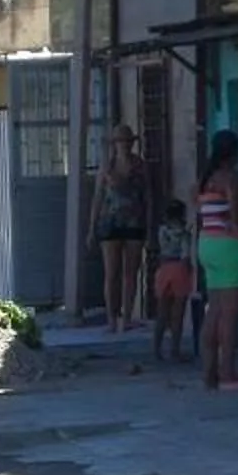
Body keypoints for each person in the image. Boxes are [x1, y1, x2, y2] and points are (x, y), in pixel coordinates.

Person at [194, 131, 238, 391]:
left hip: (208, 244)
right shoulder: (231, 178)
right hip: (231, 248)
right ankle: (228, 372)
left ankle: (209, 373)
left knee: (215, 310)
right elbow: (236, 212)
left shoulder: (205, 180)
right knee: (231, 314)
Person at [95, 125, 148, 332]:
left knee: (131, 272)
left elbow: (148, 196)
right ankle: (111, 319)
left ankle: (127, 318)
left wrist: (150, 223)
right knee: (111, 272)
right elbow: (98, 198)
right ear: (114, 144)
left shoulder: (140, 166)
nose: (124, 145)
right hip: (110, 223)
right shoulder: (107, 167)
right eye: (120, 141)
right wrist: (91, 227)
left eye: (127, 141)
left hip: (135, 222)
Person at [147, 200, 195, 364]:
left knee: (161, 312)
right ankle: (175, 350)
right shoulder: (185, 234)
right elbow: (186, 256)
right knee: (177, 314)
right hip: (179, 269)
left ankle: (156, 349)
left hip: (164, 268)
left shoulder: (162, 231)